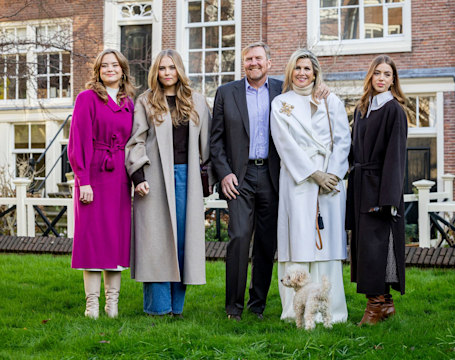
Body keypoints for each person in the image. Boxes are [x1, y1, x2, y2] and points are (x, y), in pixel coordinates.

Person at [210, 42, 329, 321]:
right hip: (239, 176)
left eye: (259, 58)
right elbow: (215, 141)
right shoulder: (226, 94)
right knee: (239, 237)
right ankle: (233, 308)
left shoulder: (282, 90)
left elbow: (309, 91)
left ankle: (257, 305)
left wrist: (322, 89)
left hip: (275, 175)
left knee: (266, 242)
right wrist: (224, 172)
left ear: (269, 62)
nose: (254, 63)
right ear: (244, 63)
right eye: (249, 58)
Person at [126, 49, 211, 317]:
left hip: (188, 177)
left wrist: (207, 179)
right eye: (162, 68)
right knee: (156, 241)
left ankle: (177, 307)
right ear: (156, 72)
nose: (167, 73)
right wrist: (138, 176)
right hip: (154, 176)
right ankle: (158, 307)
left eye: (172, 68)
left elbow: (208, 144)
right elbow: (136, 140)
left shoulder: (197, 101)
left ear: (180, 70)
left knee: (183, 241)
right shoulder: (146, 102)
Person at [270, 49, 350, 325]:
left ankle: (334, 310)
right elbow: (285, 144)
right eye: (297, 68)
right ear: (290, 71)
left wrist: (333, 175)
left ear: (316, 73)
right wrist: (313, 173)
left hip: (329, 182)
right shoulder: (280, 104)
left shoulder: (331, 101)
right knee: (299, 239)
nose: (302, 73)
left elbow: (343, 140)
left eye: (308, 69)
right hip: (298, 179)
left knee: (326, 243)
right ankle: (296, 311)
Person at [68, 49, 135, 319]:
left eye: (114, 65)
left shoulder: (129, 102)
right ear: (97, 70)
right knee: (93, 240)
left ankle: (113, 305)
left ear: (122, 70)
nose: (110, 69)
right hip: (93, 174)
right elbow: (77, 141)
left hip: (120, 177)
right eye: (104, 65)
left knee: (116, 239)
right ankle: (92, 305)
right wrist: (83, 181)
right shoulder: (87, 99)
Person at [346, 54, 408, 326]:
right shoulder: (363, 108)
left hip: (380, 189)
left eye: (387, 74)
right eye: (378, 73)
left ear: (393, 80)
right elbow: (351, 148)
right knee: (364, 248)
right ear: (370, 76)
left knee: (378, 249)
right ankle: (386, 304)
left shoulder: (394, 110)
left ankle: (375, 306)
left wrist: (389, 199)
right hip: (360, 185)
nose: (382, 78)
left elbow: (396, 156)